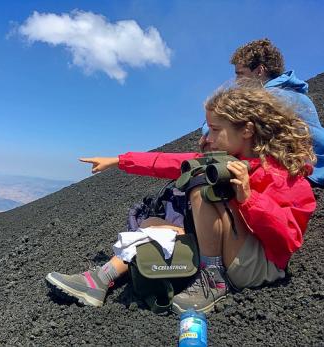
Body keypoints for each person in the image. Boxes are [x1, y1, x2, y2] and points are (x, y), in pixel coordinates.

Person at [45, 85, 316, 313]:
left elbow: (289, 239)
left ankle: (213, 280)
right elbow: (166, 162)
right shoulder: (223, 162)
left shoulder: (285, 174)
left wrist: (249, 199)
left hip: (258, 266)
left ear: (245, 130)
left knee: (201, 182)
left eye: (214, 129)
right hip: (232, 250)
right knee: (152, 222)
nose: (207, 138)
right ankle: (99, 280)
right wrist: (119, 160)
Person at [201, 38, 324, 187]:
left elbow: (223, 123)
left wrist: (211, 129)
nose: (236, 81)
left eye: (240, 74)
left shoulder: (272, 97)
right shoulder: (296, 94)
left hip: (304, 174)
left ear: (259, 71)